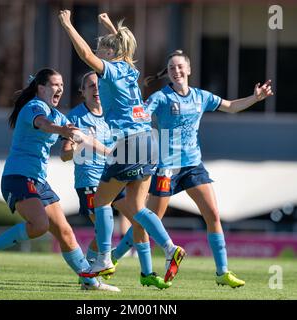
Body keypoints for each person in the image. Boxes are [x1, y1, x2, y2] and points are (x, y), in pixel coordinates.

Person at [59, 10, 186, 286]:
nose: (96, 52)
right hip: (149, 141)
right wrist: (108, 25)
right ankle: (169, 248)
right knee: (137, 207)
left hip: (129, 143)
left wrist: (68, 25)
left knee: (103, 201)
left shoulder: (114, 69)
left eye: (101, 48)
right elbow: (124, 47)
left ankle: (104, 257)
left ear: (109, 51)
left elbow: (84, 55)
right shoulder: (130, 68)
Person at [0, 68, 120, 292]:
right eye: (55, 85)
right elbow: (44, 125)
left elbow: (84, 138)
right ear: (41, 88)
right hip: (18, 177)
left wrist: (111, 153)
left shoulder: (58, 115)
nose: (60, 89)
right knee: (40, 225)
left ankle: (89, 282)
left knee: (65, 232)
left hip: (38, 181)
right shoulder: (34, 107)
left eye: (62, 85)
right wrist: (64, 130)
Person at [143, 50, 273, 288]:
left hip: (193, 166)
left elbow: (231, 107)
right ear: (168, 74)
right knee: (148, 222)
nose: (177, 71)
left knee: (213, 214)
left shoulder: (200, 97)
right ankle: (116, 261)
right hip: (166, 169)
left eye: (180, 67)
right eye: (172, 68)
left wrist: (255, 98)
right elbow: (142, 114)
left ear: (189, 70)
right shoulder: (161, 97)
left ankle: (222, 272)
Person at [60, 71, 135, 270]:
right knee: (103, 230)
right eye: (91, 86)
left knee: (139, 220)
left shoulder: (114, 114)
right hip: (90, 181)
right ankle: (91, 270)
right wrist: (75, 146)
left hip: (113, 179)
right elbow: (65, 154)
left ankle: (109, 259)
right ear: (82, 91)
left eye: (99, 85)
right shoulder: (75, 117)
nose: (96, 89)